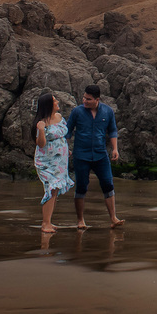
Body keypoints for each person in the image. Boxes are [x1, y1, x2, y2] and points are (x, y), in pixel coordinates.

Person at [65, 85, 125, 229]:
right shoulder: (77, 112)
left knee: (108, 184)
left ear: (97, 99)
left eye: (88, 99)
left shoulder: (108, 111)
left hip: (100, 155)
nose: (84, 101)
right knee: (81, 186)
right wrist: (66, 148)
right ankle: (80, 220)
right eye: (84, 98)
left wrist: (115, 149)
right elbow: (67, 132)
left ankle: (113, 218)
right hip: (81, 155)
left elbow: (112, 131)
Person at [32, 92, 74, 233]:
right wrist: (41, 130)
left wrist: (66, 149)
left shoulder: (59, 117)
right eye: (55, 101)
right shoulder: (42, 122)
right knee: (50, 189)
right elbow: (41, 144)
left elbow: (62, 135)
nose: (57, 103)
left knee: (55, 191)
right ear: (49, 105)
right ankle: (45, 224)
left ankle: (49, 221)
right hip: (47, 162)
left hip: (60, 162)